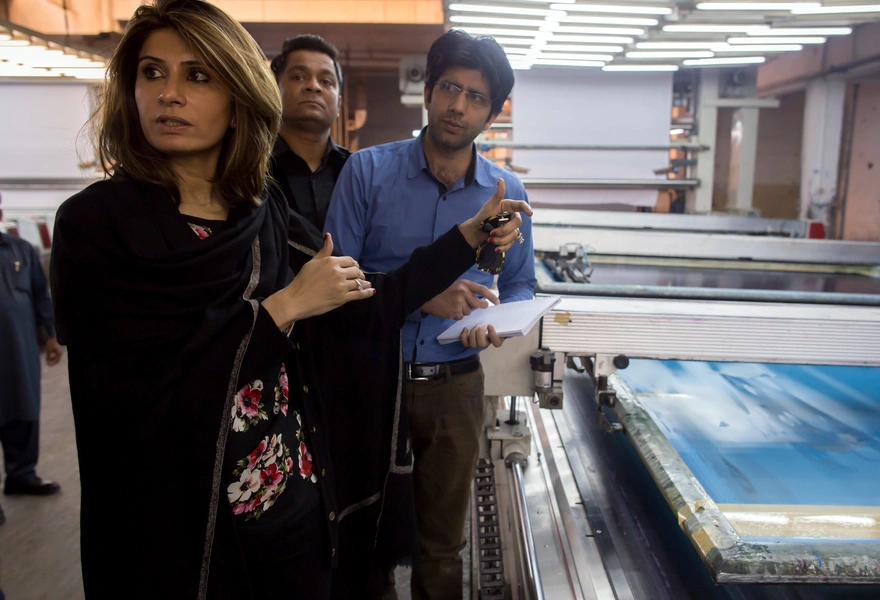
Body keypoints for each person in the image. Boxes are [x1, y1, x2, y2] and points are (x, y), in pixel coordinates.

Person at [49, 2, 531, 598]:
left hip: (286, 507)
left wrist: (465, 239)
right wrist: (283, 309)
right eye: (152, 73)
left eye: (198, 76)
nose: (168, 94)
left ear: (238, 99)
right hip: (175, 523)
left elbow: (365, 299)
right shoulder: (97, 224)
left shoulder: (259, 213)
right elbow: (136, 388)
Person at [325, 29, 536, 600]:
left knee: (443, 545)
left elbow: (520, 285)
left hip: (454, 388)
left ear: (491, 114)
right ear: (429, 89)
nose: (458, 106)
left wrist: (501, 324)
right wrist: (419, 296)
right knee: (363, 531)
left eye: (475, 97)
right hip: (373, 382)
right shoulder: (367, 173)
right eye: (450, 88)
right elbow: (333, 283)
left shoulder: (505, 191)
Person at [0, 193, 63, 526]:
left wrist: (51, 335)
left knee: (23, 407)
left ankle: (21, 474)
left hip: (18, 347)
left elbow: (41, 293)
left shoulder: (20, 250)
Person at [270, 34, 349, 233]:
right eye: (298, 77)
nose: (313, 86)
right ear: (272, 90)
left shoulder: (356, 170)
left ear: (339, 103)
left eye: (326, 81)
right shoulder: (249, 166)